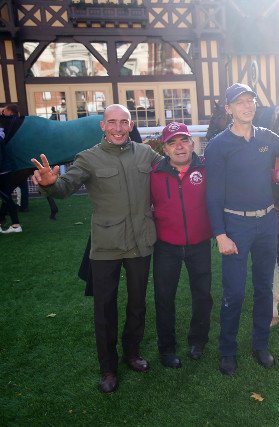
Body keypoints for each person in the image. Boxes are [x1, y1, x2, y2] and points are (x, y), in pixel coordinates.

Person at [31, 104, 162, 393]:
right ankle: (108, 368)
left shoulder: (146, 154)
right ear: (102, 126)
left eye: (124, 122)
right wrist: (50, 185)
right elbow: (65, 186)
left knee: (137, 304)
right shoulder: (88, 158)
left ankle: (132, 353)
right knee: (104, 309)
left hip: (141, 242)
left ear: (130, 125)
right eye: (112, 122)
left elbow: (172, 169)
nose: (118, 128)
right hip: (106, 245)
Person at [205, 83, 279, 375]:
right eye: (240, 102)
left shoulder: (266, 136)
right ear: (229, 109)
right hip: (235, 226)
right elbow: (212, 195)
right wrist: (220, 235)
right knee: (235, 292)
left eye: (250, 101)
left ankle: (260, 344)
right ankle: (227, 350)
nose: (247, 106)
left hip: (266, 223)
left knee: (264, 287)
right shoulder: (217, 146)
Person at [151, 122, 213, 369]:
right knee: (164, 298)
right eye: (172, 142)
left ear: (192, 143)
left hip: (200, 244)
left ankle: (198, 341)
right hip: (166, 246)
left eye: (183, 140)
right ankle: (167, 349)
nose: (179, 147)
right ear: (165, 149)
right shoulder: (154, 174)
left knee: (203, 296)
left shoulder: (207, 169)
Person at [0, 105, 22, 233]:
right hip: (6, 170)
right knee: (6, 197)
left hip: (3, 171)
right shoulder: (2, 134)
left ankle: (16, 225)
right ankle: (14, 224)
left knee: (6, 198)